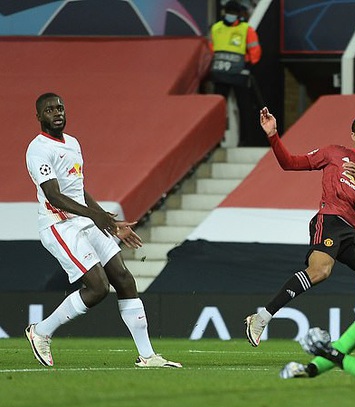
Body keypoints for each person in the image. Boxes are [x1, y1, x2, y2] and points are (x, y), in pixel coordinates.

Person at [24, 92, 181, 368]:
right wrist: (98, 217)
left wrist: (108, 220)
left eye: (60, 108)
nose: (57, 113)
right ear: (39, 117)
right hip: (60, 225)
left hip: (84, 220)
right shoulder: (38, 149)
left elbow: (78, 189)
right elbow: (54, 196)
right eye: (49, 110)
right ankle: (41, 331)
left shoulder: (72, 143)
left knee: (124, 279)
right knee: (97, 287)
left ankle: (147, 356)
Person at [244, 108, 355, 347]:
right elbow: (289, 163)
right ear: (353, 135)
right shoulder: (333, 153)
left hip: (353, 233)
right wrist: (273, 135)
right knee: (320, 271)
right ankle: (260, 319)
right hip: (330, 220)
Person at [209, 0, 263, 147]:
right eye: (229, 12)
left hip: (239, 74)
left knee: (244, 107)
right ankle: (215, 141)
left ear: (238, 14)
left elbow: (255, 50)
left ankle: (245, 140)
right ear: (224, 13)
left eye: (233, 13)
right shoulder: (216, 28)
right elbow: (211, 49)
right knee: (217, 109)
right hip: (220, 75)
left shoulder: (246, 29)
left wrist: (249, 62)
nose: (230, 15)